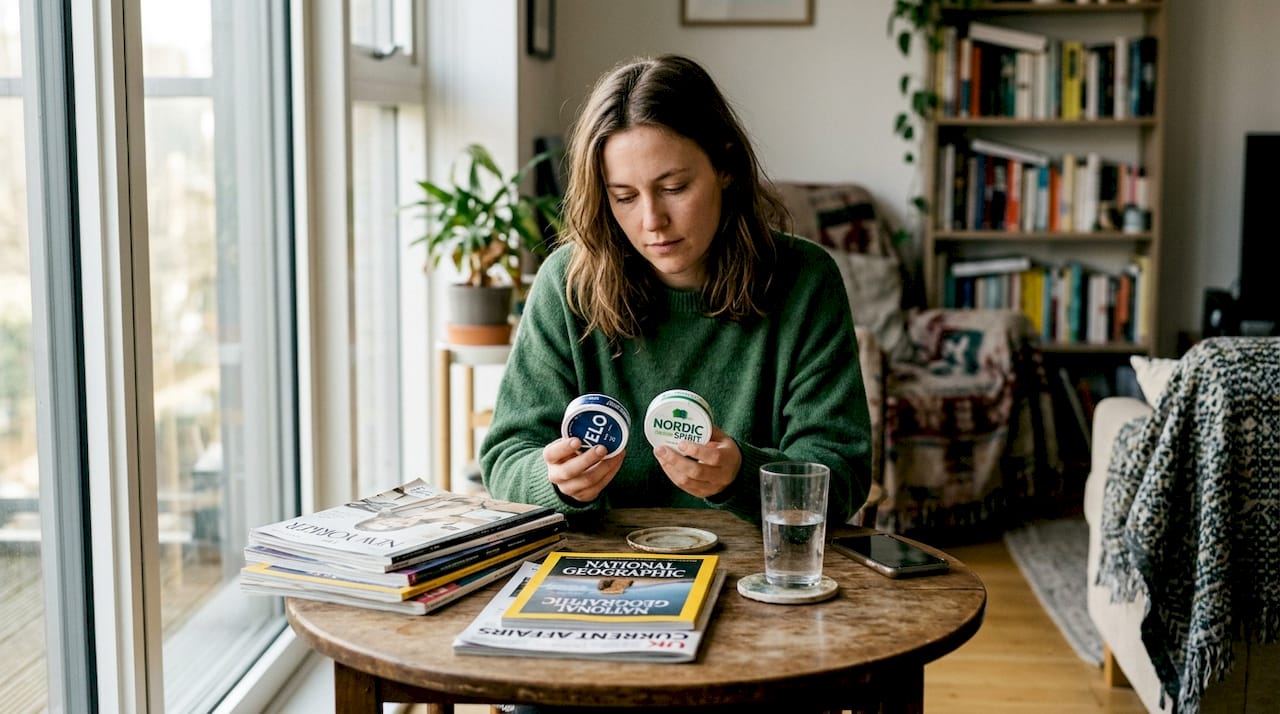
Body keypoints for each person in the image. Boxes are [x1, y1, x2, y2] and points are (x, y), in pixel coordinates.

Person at [480, 53, 870, 534]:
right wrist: (555, 481)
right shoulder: (567, 284)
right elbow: (504, 461)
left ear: (725, 165)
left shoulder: (806, 281)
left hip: (757, 571)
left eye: (674, 187)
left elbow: (842, 477)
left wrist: (740, 477)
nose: (651, 222)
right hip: (603, 574)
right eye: (624, 196)